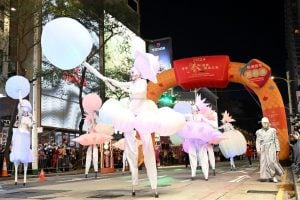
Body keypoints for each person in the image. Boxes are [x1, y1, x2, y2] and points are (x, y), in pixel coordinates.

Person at [255, 117, 284, 182]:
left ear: (268, 123)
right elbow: (257, 141)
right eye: (263, 123)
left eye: (266, 123)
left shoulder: (273, 130)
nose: (265, 124)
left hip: (271, 147)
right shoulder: (259, 132)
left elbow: (276, 140)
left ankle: (274, 175)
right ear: (261, 123)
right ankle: (269, 177)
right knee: (264, 163)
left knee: (272, 161)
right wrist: (258, 149)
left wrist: (278, 149)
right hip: (263, 148)